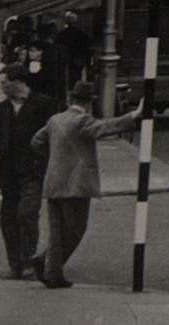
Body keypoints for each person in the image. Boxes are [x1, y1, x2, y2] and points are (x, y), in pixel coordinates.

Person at [28, 80, 141, 288]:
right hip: (76, 185)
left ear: (71, 99)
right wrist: (132, 116)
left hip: (53, 182)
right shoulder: (82, 120)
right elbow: (104, 128)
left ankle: (50, 268)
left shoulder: (55, 119)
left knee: (56, 230)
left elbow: (36, 141)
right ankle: (49, 266)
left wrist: (54, 159)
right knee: (75, 230)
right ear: (89, 102)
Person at [0, 65, 56, 278]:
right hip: (8, 173)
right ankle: (15, 264)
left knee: (27, 214)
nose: (1, 86)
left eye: (5, 82)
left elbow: (52, 138)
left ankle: (29, 259)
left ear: (18, 82)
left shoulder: (43, 104)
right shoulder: (2, 108)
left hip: (33, 171)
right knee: (7, 219)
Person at [53, 12, 90, 94]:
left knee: (65, 80)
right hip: (77, 61)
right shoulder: (81, 34)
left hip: (65, 61)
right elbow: (86, 48)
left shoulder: (61, 34)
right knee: (76, 80)